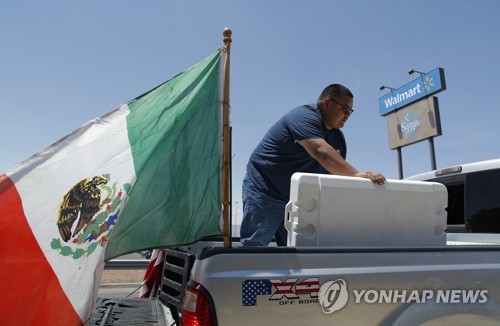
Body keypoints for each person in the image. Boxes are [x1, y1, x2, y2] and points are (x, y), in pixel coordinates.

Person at [240, 83, 386, 247]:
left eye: (350, 110)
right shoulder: (303, 116)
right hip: (265, 190)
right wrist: (357, 175)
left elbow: (334, 176)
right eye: (344, 108)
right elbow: (320, 151)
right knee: (254, 246)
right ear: (327, 103)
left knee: (297, 252)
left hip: (296, 201)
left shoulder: (338, 140)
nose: (347, 114)